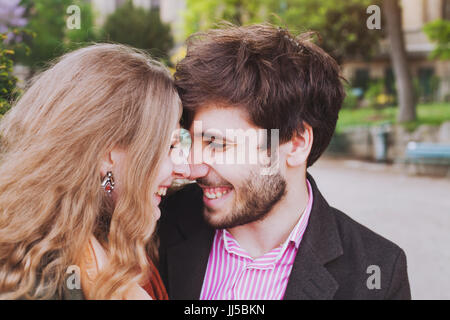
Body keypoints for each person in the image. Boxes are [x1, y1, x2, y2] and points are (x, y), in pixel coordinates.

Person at [158, 24, 411, 300]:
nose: (191, 168)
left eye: (217, 143)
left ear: (297, 143)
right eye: (189, 140)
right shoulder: (156, 225)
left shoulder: (377, 273)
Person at [0, 43, 189, 299]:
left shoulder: (104, 241)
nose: (182, 167)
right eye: (169, 146)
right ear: (108, 156)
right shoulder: (43, 279)